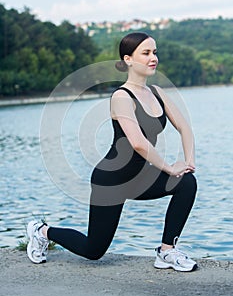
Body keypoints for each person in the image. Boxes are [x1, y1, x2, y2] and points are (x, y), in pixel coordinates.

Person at [27, 32, 197, 272]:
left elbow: (184, 127)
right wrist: (170, 168)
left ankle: (167, 251)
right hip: (112, 180)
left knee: (187, 182)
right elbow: (138, 143)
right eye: (146, 53)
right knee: (93, 250)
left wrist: (188, 162)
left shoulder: (157, 92)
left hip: (140, 178)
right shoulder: (121, 97)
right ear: (128, 59)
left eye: (155, 52)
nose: (153, 58)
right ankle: (42, 231)